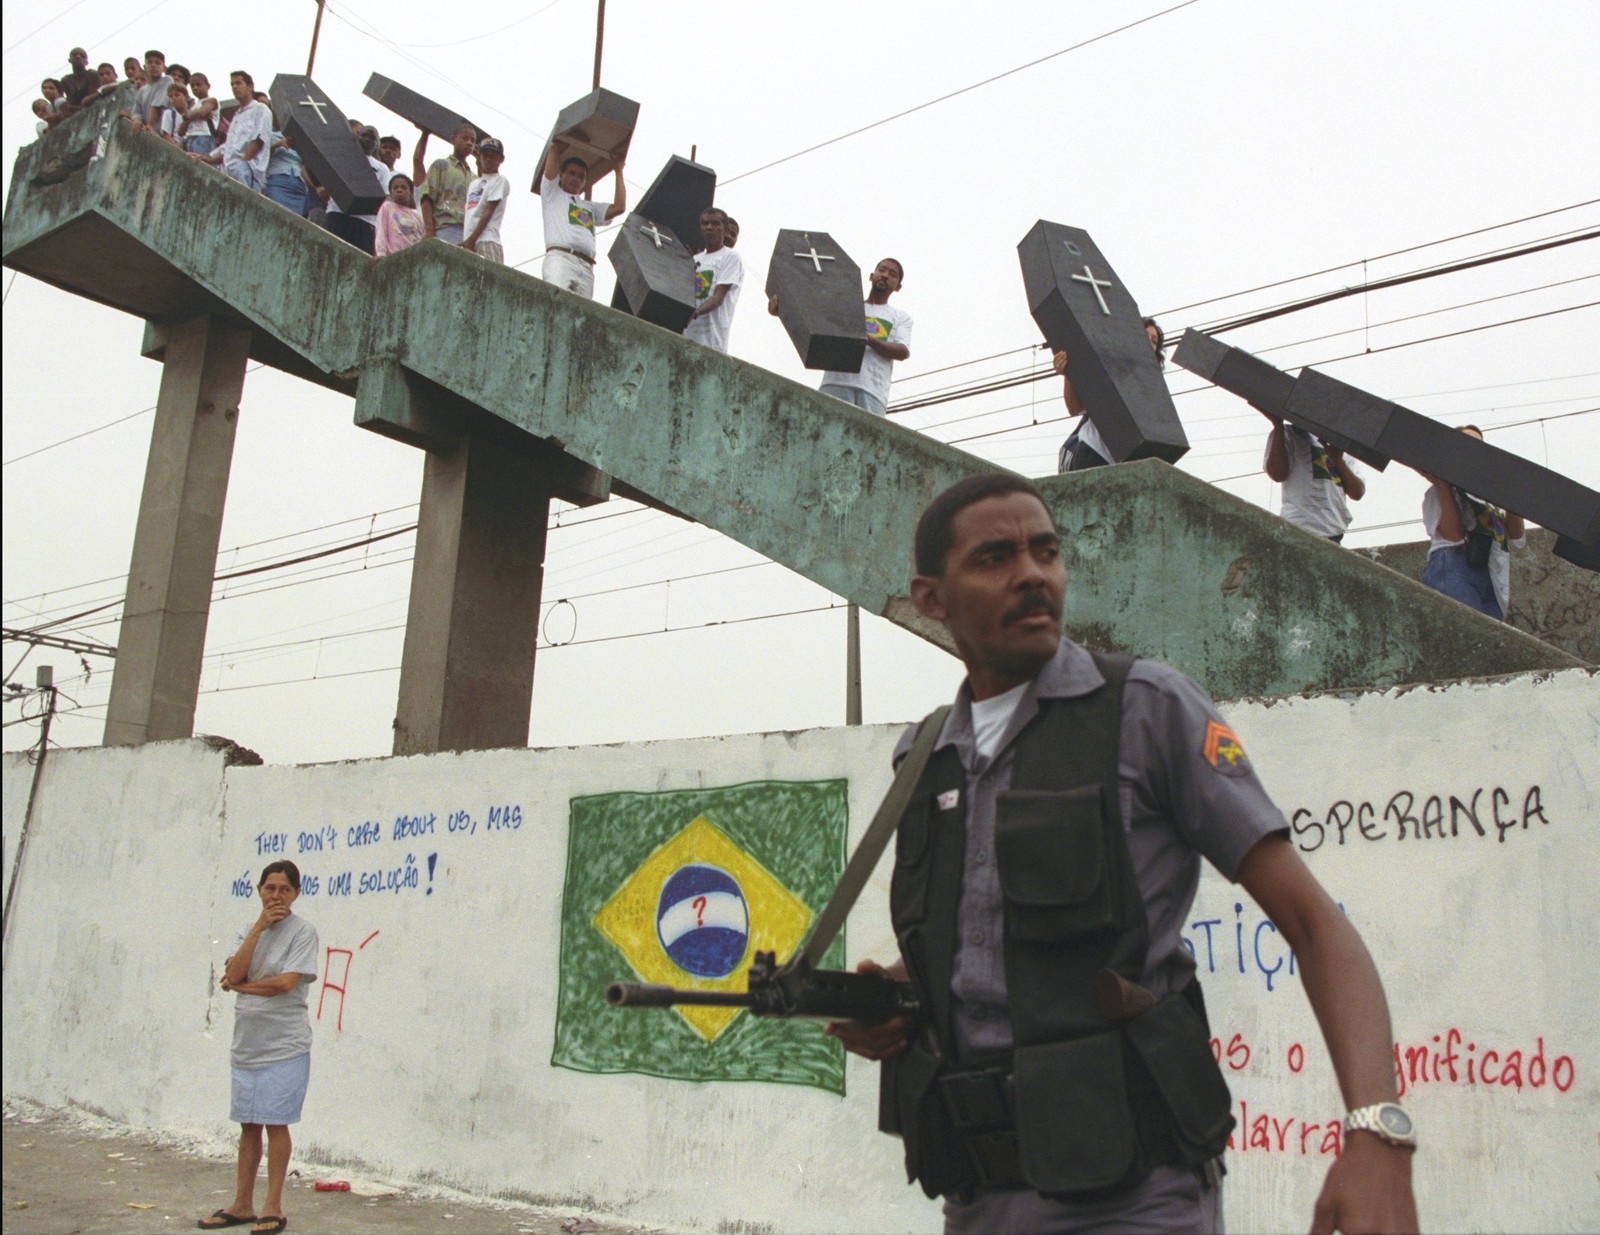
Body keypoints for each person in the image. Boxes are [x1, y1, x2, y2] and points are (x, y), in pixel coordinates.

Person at [829, 471, 1420, 1235]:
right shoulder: (925, 755)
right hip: (975, 1198)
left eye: (1046, 550)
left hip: (1134, 1198)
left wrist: (1376, 1131)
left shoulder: (1148, 709)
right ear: (932, 598)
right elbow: (993, 953)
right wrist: (899, 1002)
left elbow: (1314, 924)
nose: (1032, 573)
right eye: (995, 557)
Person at [197, 860, 319, 1234]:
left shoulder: (303, 932)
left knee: (275, 1124)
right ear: (259, 891)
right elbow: (233, 972)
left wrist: (243, 987)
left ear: (297, 893)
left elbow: (284, 984)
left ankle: (273, 1206)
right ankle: (242, 1203)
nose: (276, 896)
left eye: (284, 889)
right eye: (270, 889)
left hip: (285, 1046)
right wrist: (259, 927)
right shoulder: (248, 930)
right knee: (248, 1126)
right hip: (247, 1047)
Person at [769, 257, 912, 416]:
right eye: (882, 270)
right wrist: (782, 311)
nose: (885, 275)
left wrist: (869, 341)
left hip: (872, 391)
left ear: (898, 286)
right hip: (835, 383)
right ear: (872, 276)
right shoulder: (845, 306)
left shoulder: (900, 317)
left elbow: (902, 351)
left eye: (892, 274)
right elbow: (814, 325)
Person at [1417, 424, 1526, 621]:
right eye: (1467, 444)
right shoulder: (1438, 493)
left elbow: (1516, 535)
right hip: (1454, 567)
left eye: (1480, 445)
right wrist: (1443, 486)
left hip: (1490, 574)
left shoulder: (1489, 498)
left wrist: (1513, 494)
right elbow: (1453, 535)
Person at [1055, 317, 1165, 472]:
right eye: (1144, 335)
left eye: (1154, 341)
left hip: (1124, 464)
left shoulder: (1153, 389)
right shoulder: (1108, 365)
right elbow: (1075, 408)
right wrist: (1069, 373)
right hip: (1093, 452)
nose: (1149, 343)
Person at [537, 141, 626, 297]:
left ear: (585, 181)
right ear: (561, 175)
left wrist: (618, 170)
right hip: (560, 258)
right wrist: (568, 137)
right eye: (571, 173)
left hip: (586, 267)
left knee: (582, 315)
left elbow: (619, 207)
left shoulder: (589, 207)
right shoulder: (552, 194)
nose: (576, 179)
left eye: (581, 176)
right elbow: (554, 150)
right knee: (555, 301)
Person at [1263, 423, 1365, 541]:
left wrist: (1337, 459)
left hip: (1333, 531)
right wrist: (1278, 425)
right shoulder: (1289, 433)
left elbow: (1357, 492)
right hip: (1298, 527)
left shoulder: (1341, 444)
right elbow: (1277, 474)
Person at [190, 72, 271, 192]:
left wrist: (243, 165)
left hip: (247, 171)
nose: (234, 87)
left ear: (250, 86)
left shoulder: (261, 109)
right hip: (229, 171)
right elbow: (228, 150)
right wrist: (204, 159)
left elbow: (258, 141)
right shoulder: (237, 116)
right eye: (232, 84)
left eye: (238, 83)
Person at [324, 126, 392, 255]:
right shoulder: (342, 157)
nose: (368, 140)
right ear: (357, 137)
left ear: (377, 144)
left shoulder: (382, 168)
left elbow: (386, 196)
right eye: (364, 135)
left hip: (365, 221)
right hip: (338, 214)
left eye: (373, 138)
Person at [684, 207, 742, 352]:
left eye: (716, 224)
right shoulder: (695, 259)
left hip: (712, 341)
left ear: (724, 229)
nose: (709, 227)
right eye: (705, 223)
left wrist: (696, 313)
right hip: (685, 336)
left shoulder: (730, 257)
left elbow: (719, 296)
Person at [415, 123, 476, 245]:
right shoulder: (441, 165)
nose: (469, 143)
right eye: (465, 138)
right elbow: (427, 198)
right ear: (453, 139)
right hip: (446, 228)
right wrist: (429, 230)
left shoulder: (475, 177)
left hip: (469, 234)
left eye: (472, 141)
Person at [463, 137, 508, 262]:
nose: (488, 159)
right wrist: (469, 240)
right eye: (485, 155)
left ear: (501, 159)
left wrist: (472, 239)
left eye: (493, 156)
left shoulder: (500, 180)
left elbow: (488, 210)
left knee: (489, 279)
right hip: (469, 241)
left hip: (488, 240)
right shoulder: (473, 184)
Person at [374, 174, 425, 256]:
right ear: (390, 193)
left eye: (403, 187)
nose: (399, 190)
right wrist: (380, 253)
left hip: (414, 258)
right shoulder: (387, 207)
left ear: (411, 192)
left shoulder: (417, 216)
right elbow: (381, 230)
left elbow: (423, 238)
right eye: (395, 188)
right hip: (393, 256)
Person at [263, 130, 308, 214]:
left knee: (295, 221)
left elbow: (304, 165)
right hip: (278, 182)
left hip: (299, 187)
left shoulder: (302, 140)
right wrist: (278, 144)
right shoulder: (271, 135)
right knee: (275, 214)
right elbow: (261, 156)